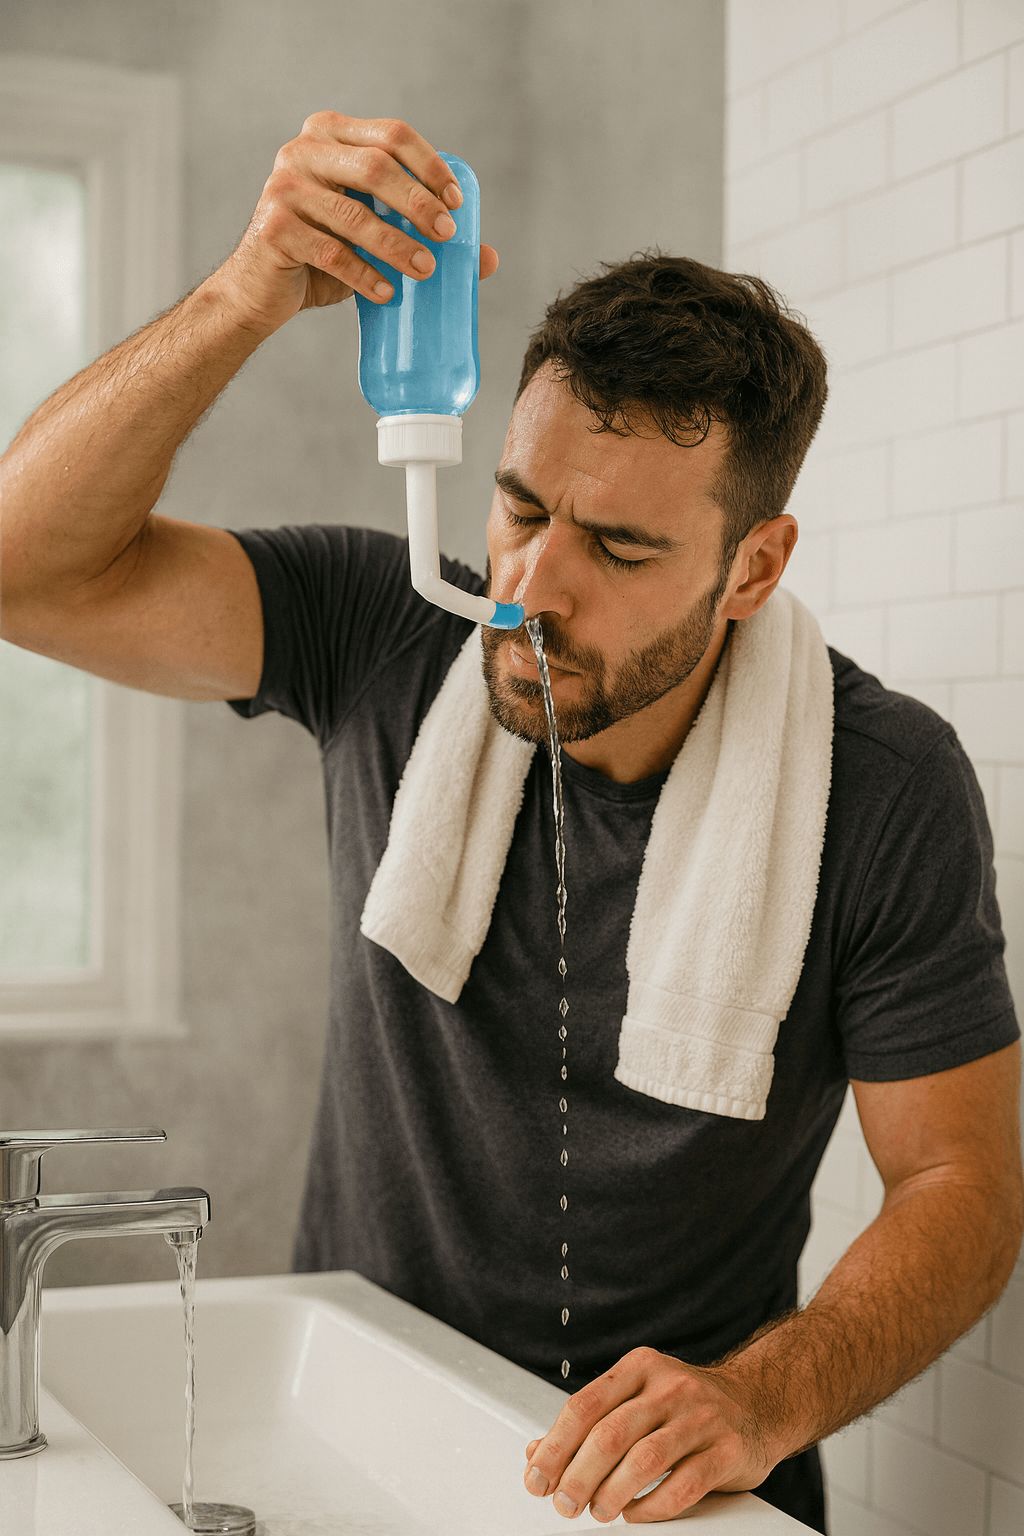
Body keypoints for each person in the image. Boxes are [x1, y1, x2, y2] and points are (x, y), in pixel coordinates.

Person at [2, 111, 1021, 1536]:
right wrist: (248, 293)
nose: (533, 585)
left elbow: (961, 1182)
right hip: (357, 1417)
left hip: (677, 1502)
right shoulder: (391, 636)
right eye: (522, 505)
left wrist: (763, 1398)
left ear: (753, 568)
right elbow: (21, 566)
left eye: (619, 546)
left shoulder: (885, 782)